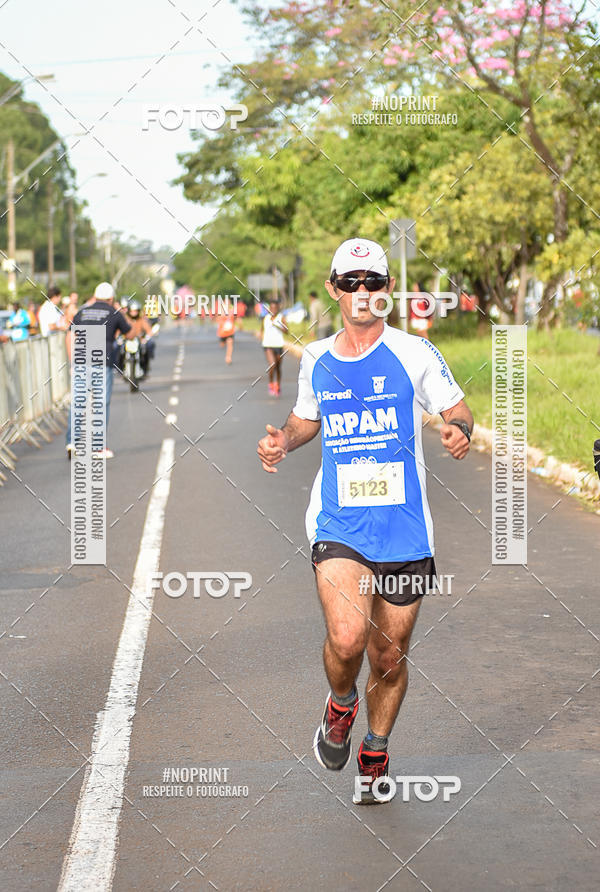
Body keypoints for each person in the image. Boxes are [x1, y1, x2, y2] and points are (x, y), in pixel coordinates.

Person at [257, 237, 473, 804]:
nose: (361, 293)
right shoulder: (319, 359)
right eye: (350, 283)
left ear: (387, 290)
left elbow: (457, 407)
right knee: (348, 637)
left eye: (372, 282)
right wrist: (284, 438)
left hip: (404, 527)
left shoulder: (415, 353)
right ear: (334, 289)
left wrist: (459, 430)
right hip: (339, 523)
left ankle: (375, 749)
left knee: (389, 653)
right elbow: (308, 419)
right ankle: (340, 704)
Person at [65, 282, 132, 460]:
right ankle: (98, 447)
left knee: (78, 401)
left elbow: (70, 335)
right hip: (102, 362)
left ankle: (72, 442)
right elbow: (130, 333)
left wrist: (73, 361)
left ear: (95, 296)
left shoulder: (83, 311)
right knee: (100, 404)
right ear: (111, 298)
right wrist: (122, 312)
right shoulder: (114, 312)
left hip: (81, 361)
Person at [262, 299, 287, 395]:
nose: (273, 310)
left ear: (278, 308)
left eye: (275, 308)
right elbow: (262, 329)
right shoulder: (266, 318)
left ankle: (278, 384)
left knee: (278, 367)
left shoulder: (281, 318)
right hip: (268, 345)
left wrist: (277, 326)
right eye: (271, 308)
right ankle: (271, 383)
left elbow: (286, 331)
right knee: (272, 365)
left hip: (279, 345)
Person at [125, 298, 154, 376]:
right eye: (132, 311)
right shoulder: (125, 320)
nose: (134, 313)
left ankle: (145, 366)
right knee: (116, 347)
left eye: (135, 311)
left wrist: (146, 338)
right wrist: (119, 338)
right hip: (126, 341)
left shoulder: (141, 320)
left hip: (138, 341)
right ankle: (119, 367)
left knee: (149, 345)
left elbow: (149, 331)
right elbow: (118, 330)